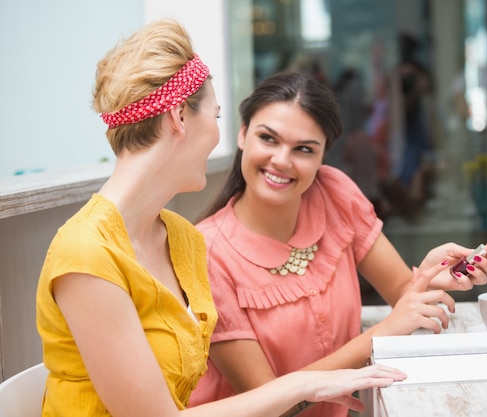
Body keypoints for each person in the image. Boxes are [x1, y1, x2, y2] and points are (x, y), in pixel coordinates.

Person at [34, 19, 407, 417]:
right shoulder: (87, 256)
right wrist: (304, 383)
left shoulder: (179, 238)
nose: (217, 136)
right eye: (214, 117)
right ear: (179, 117)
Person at [189, 71, 487, 416]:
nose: (282, 160)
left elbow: (400, 290)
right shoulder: (206, 252)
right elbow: (269, 404)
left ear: (323, 157)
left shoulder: (334, 193)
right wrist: (384, 332)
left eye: (304, 149)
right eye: (268, 139)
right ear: (243, 134)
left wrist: (427, 278)